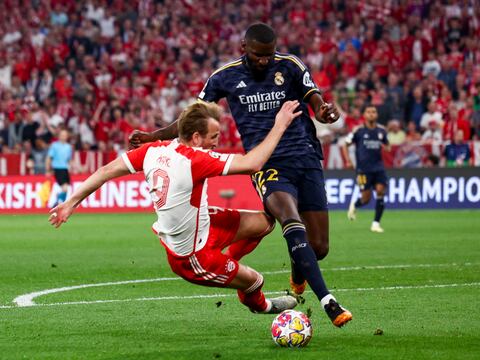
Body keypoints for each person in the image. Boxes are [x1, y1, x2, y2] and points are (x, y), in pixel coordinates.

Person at [129, 23, 352, 327]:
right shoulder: (225, 77)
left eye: (269, 56)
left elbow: (314, 96)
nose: (265, 61)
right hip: (266, 163)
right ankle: (329, 301)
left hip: (306, 157)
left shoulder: (290, 66)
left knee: (320, 248)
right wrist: (154, 135)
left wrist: (323, 111)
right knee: (287, 217)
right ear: (244, 49)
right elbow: (190, 118)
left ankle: (299, 270)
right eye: (259, 55)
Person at [49, 101, 301, 315]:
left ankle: (229, 263)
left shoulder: (152, 151)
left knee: (265, 222)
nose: (217, 142)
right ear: (195, 137)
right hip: (193, 257)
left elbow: (105, 171)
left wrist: (71, 202)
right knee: (256, 281)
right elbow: (253, 163)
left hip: (204, 224)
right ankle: (263, 306)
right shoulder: (197, 160)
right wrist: (280, 124)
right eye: (213, 137)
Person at [342, 105, 390, 233]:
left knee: (380, 192)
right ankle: (355, 205)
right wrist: (348, 160)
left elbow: (387, 145)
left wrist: (387, 147)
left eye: (373, 112)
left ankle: (376, 224)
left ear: (377, 115)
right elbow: (345, 144)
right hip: (363, 170)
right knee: (366, 199)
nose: (371, 114)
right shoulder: (358, 131)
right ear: (364, 115)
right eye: (368, 112)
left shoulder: (382, 131)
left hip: (379, 168)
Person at [46, 129, 73, 206]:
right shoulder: (54, 145)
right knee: (65, 188)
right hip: (58, 169)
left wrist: (74, 167)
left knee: (66, 188)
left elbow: (69, 159)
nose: (63, 137)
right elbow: (49, 158)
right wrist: (48, 169)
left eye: (65, 135)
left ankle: (60, 204)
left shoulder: (68, 147)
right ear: (59, 136)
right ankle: (57, 204)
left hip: (65, 169)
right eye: (62, 135)